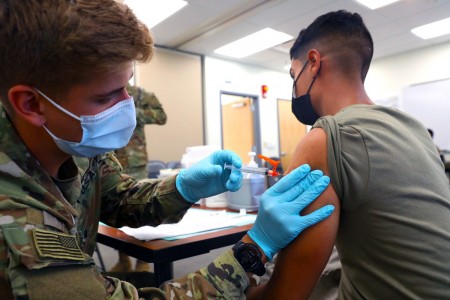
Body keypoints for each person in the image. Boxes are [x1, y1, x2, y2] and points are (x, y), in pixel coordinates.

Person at [0, 1, 335, 299]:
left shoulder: (71, 138)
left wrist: (184, 186)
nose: (127, 107)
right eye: (106, 98)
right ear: (30, 103)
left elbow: (118, 200)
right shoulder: (12, 220)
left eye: (127, 88)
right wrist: (253, 249)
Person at [245, 10, 450, 299]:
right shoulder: (415, 129)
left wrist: (243, 289)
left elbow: (285, 296)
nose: (295, 88)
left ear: (313, 63)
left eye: (294, 75)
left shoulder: (325, 138)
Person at [111, 84, 167, 273]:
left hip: (135, 161)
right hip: (112, 160)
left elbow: (161, 116)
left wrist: (132, 113)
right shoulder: (107, 91)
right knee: (116, 211)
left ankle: (142, 263)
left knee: (139, 208)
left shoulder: (141, 95)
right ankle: (124, 260)